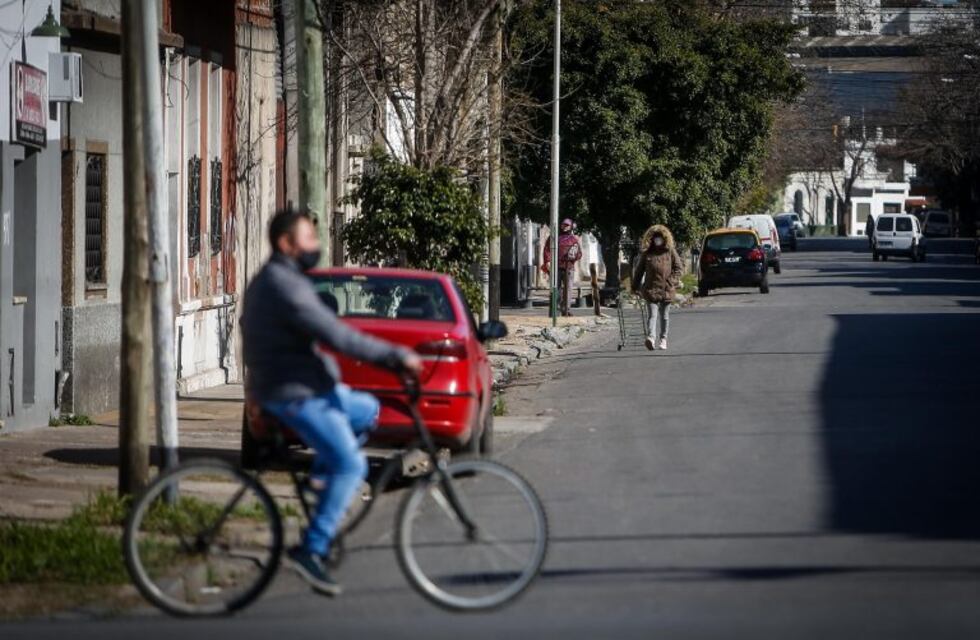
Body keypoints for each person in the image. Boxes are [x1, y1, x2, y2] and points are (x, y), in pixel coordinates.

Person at [240, 208, 423, 596]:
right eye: (309, 239)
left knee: (368, 409)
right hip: (293, 392)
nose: (317, 247)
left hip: (310, 383)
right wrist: (395, 356)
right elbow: (336, 334)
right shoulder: (283, 286)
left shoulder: (285, 279)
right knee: (352, 464)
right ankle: (312, 548)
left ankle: (320, 482)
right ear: (286, 244)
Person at [631, 224, 683, 351]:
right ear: (652, 239)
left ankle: (663, 339)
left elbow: (678, 269)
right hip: (651, 289)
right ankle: (651, 338)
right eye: (655, 238)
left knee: (664, 316)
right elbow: (639, 271)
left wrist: (671, 282)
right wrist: (634, 287)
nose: (657, 240)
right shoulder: (647, 254)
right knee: (652, 315)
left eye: (659, 238)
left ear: (664, 238)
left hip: (667, 289)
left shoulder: (670, 251)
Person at [542, 218, 582, 316]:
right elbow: (547, 249)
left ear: (571, 226)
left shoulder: (573, 240)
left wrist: (574, 255)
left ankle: (566, 310)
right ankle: (556, 310)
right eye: (563, 224)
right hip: (556, 268)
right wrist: (547, 261)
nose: (565, 227)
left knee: (568, 290)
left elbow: (580, 254)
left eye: (567, 225)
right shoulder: (554, 237)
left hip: (569, 268)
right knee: (556, 289)